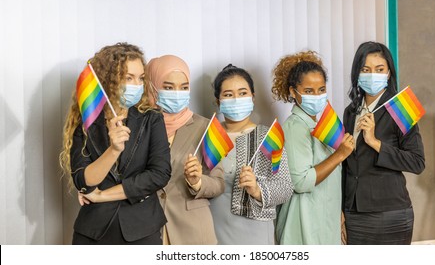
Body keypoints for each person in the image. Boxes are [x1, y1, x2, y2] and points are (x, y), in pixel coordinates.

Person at [60, 43, 171, 244]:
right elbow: (83, 181)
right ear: (108, 80)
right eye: (128, 78)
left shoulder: (152, 118)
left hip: (142, 228)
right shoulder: (87, 122)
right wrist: (113, 150)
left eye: (140, 78)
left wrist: (102, 196)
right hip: (93, 231)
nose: (137, 85)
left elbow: (159, 174)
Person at [342, 41, 425, 244]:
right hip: (354, 213)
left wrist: (374, 142)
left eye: (379, 69)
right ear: (357, 74)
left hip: (391, 213)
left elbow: (417, 162)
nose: (372, 75)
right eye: (366, 69)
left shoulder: (401, 107)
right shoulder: (350, 111)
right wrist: (341, 211)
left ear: (388, 73)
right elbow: (346, 164)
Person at [272, 51, 355, 244]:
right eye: (309, 91)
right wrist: (340, 154)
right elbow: (301, 182)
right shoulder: (294, 128)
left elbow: (331, 179)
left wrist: (338, 212)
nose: (316, 96)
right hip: (303, 221)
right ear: (294, 92)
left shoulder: (322, 126)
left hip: (324, 217)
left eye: (321, 90)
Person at [208, 64, 293, 245]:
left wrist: (257, 190)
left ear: (253, 97)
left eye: (242, 93)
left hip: (254, 233)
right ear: (218, 101)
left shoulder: (267, 137)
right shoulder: (208, 135)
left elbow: (285, 188)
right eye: (228, 95)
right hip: (212, 228)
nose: (236, 99)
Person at [145, 55, 224, 245]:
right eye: (169, 87)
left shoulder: (207, 127)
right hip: (147, 230)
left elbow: (219, 183)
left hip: (193, 234)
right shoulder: (140, 126)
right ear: (152, 87)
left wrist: (197, 182)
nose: (177, 93)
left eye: (184, 87)